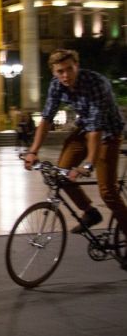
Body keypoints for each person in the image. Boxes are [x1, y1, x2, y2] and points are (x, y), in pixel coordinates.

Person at [22, 49, 126, 269]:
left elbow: (97, 130)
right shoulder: (56, 84)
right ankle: (90, 212)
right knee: (60, 174)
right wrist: (33, 150)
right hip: (83, 130)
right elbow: (47, 119)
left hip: (108, 133)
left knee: (107, 191)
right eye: (61, 71)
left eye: (70, 69)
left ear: (77, 65)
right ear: (54, 71)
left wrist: (87, 165)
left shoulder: (96, 83)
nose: (66, 75)